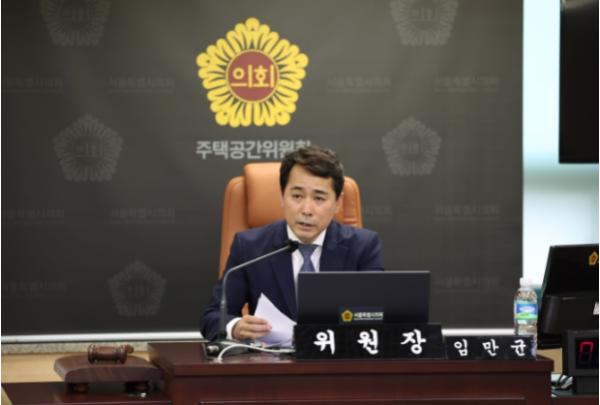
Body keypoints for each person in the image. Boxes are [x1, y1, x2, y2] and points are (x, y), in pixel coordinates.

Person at [200, 145, 383, 341]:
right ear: (282, 196)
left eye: (319, 198)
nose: (306, 210)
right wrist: (235, 327)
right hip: (272, 358)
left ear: (337, 203)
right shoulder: (250, 247)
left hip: (336, 355)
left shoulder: (362, 246)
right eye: (297, 196)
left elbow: (379, 315)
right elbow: (213, 317)